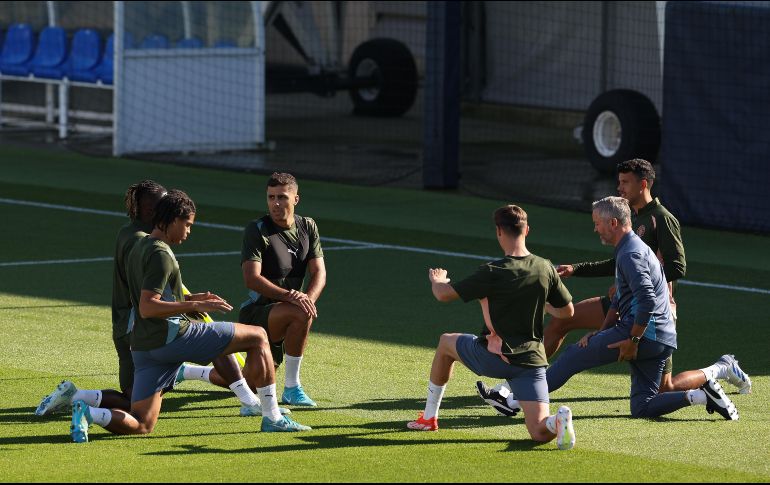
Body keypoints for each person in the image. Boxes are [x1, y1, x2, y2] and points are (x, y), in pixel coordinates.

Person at [478, 159, 750, 415]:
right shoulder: (628, 242)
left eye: (625, 182)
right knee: (640, 403)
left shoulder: (655, 225)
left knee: (588, 359)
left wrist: (633, 332)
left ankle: (515, 399)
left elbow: (670, 275)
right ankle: (701, 395)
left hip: (649, 320)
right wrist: (588, 277)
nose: (620, 187)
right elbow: (625, 274)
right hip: (640, 315)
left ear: (642, 185)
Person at [67, 189, 310, 442]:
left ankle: (89, 414)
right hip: (172, 338)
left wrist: (193, 300)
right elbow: (148, 306)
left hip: (145, 347)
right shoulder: (161, 254)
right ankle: (272, 417)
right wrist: (191, 308)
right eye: (187, 224)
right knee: (258, 335)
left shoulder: (139, 245)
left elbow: (150, 296)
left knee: (142, 423)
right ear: (172, 219)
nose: (189, 232)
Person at [406, 205, 577, 451]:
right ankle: (556, 421)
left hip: (494, 357)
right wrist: (540, 302)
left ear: (499, 231)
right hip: (532, 361)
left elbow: (443, 296)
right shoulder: (545, 267)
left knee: (446, 343)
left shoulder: (492, 271)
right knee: (539, 431)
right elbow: (567, 312)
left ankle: (429, 418)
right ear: (527, 230)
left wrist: (438, 280)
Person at [239, 172, 326, 407]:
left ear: (296, 199)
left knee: (246, 382)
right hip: (257, 313)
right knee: (300, 312)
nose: (276, 203)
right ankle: (292, 388)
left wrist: (307, 299)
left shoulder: (308, 226)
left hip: (287, 312)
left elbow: (319, 273)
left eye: (282, 197)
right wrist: (292, 297)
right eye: (271, 197)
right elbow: (252, 279)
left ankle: (190, 372)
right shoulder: (256, 229)